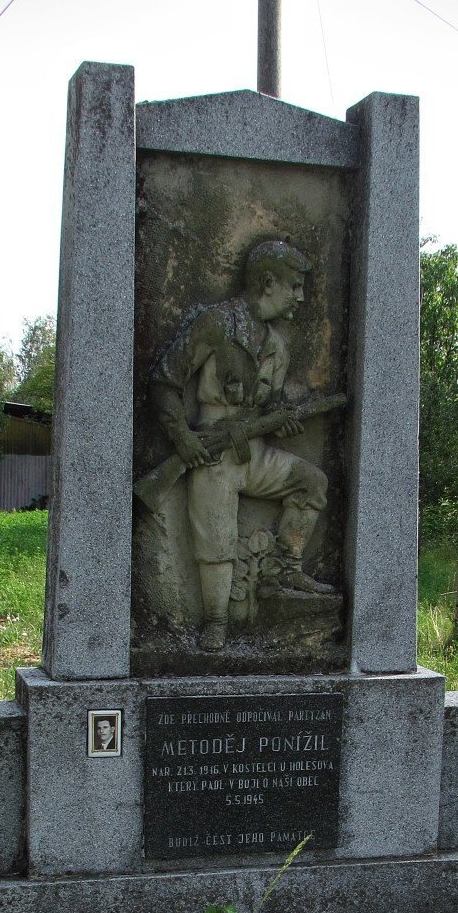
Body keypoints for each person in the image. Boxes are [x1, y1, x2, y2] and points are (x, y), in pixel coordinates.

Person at [149, 239, 333, 651]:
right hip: (213, 452)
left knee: (311, 481)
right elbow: (165, 380)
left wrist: (284, 421)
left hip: (253, 451)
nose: (301, 297)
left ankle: (286, 566)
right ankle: (216, 623)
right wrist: (182, 437)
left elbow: (270, 408)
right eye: (294, 285)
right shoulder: (216, 323)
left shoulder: (277, 348)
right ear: (268, 283)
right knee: (215, 538)